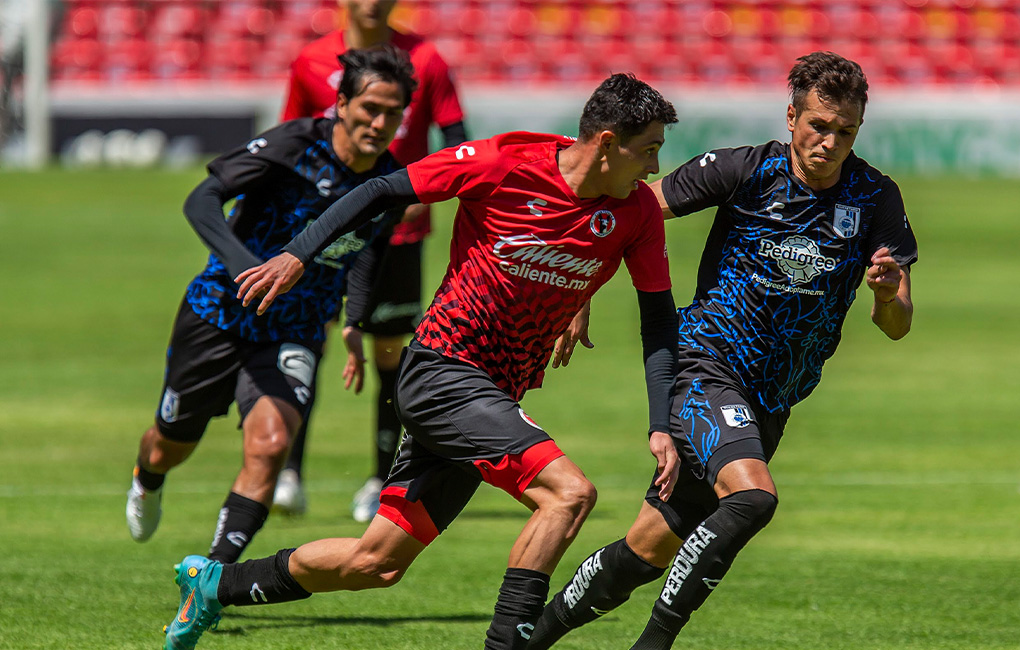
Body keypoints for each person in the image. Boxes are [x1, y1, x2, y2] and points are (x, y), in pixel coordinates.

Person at [161, 73, 682, 650]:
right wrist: (297, 255)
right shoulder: (503, 163)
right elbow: (380, 190)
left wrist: (660, 420)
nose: (655, 169)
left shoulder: (635, 213)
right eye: (650, 150)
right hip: (443, 370)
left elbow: (658, 320)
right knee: (568, 494)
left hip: (492, 393)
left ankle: (213, 583)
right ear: (607, 143)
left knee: (375, 563)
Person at [528, 51, 918, 650]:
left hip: (775, 397)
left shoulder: (875, 199)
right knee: (754, 496)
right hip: (706, 367)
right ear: (791, 116)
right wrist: (580, 286)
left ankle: (526, 642)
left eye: (845, 132)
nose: (830, 142)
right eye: (818, 125)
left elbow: (897, 326)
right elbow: (630, 205)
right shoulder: (745, 171)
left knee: (646, 551)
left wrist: (889, 295)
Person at [124, 47, 416, 567]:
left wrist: (353, 321)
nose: (379, 122)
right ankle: (147, 478)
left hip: (298, 327)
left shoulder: (389, 182)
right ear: (342, 103)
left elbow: (367, 250)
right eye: (370, 107)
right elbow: (203, 198)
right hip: (220, 313)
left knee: (271, 444)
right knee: (171, 445)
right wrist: (243, 268)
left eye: (392, 112)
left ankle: (211, 578)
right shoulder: (295, 145)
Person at [275, 0, 469, 522]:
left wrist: (420, 194)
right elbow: (292, 142)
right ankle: (288, 473)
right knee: (307, 345)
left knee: (389, 359)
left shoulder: (426, 59)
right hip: (324, 233)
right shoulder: (310, 60)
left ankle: (380, 481)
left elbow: (456, 141)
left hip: (398, 234)